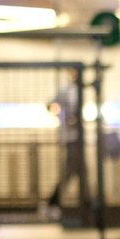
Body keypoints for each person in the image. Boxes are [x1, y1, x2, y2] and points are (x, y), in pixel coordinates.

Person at [42, 67, 86, 220]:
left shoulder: (78, 89)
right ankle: (52, 203)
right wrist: (65, 117)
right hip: (70, 137)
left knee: (78, 171)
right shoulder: (66, 90)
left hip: (77, 137)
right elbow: (50, 105)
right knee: (70, 171)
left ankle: (84, 206)